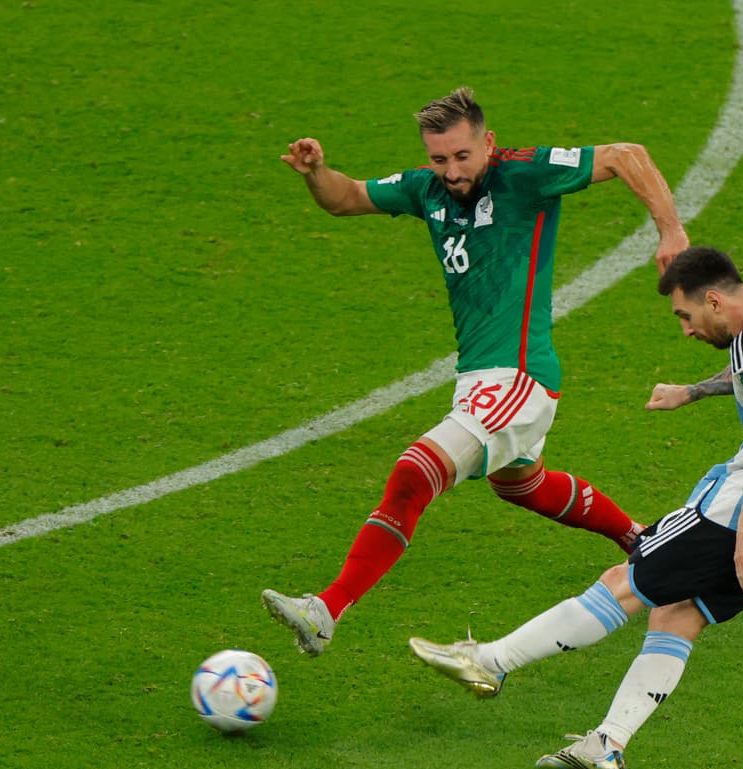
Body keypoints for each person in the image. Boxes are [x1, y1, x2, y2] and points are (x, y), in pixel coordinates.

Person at [262, 87, 690, 656]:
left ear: (487, 142)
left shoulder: (526, 174)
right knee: (523, 485)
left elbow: (627, 153)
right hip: (480, 378)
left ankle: (326, 609)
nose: (452, 171)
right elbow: (347, 199)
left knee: (415, 473)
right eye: (439, 159)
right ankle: (641, 538)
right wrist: (316, 172)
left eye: (463, 156)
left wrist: (671, 230)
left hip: (517, 377)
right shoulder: (426, 189)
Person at [409, 246, 743, 769]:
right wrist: (691, 391)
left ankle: (490, 662)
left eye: (686, 315)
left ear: (713, 299)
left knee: (626, 580)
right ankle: (607, 744)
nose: (686, 330)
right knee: (678, 612)